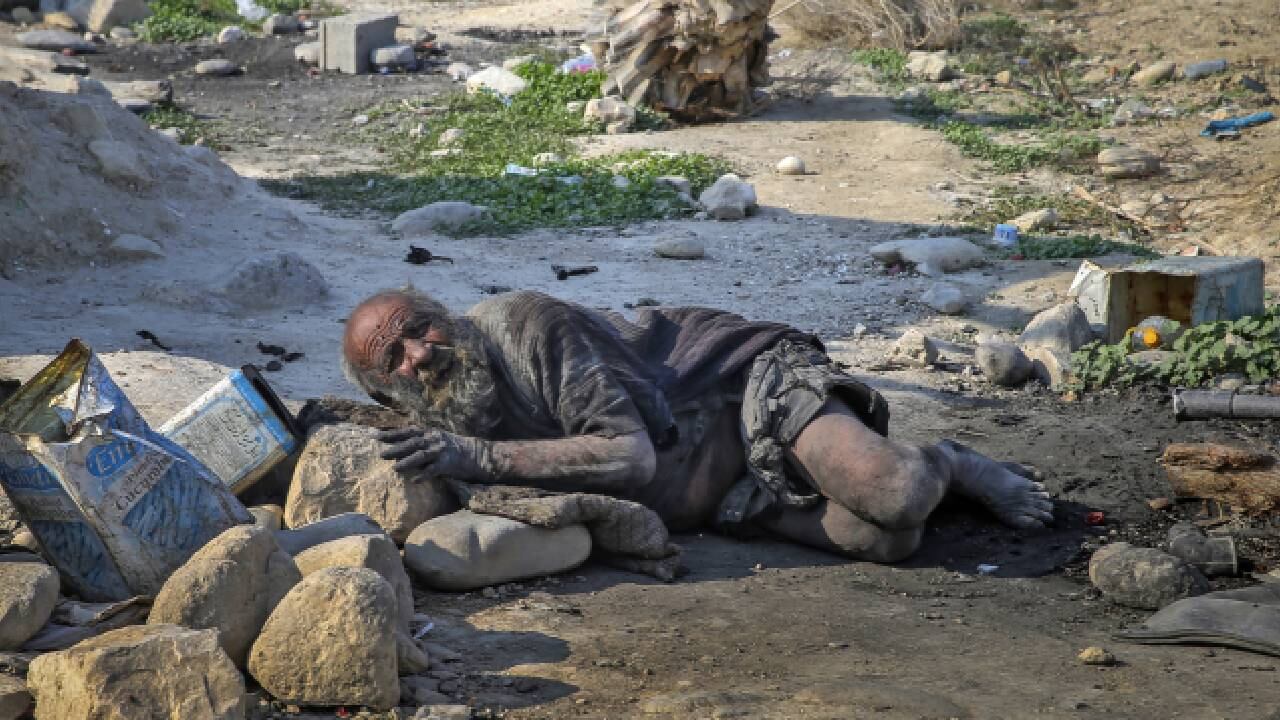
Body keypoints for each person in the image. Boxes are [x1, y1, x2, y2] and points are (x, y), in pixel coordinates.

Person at [340, 289, 1053, 563]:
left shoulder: (527, 329)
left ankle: (950, 462)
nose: (421, 353)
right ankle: (868, 485)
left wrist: (473, 456)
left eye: (420, 328)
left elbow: (628, 457)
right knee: (890, 540)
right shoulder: (431, 420)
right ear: (390, 395)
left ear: (444, 315)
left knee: (894, 492)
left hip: (734, 391)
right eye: (396, 358)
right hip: (719, 497)